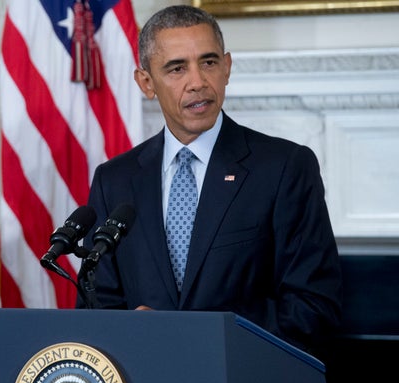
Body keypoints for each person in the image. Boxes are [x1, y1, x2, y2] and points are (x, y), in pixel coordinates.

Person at [78, 5, 341, 355]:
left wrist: (196, 336)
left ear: (227, 67)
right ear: (146, 83)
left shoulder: (285, 168)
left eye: (209, 62)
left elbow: (314, 308)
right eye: (176, 68)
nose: (198, 82)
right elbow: (97, 307)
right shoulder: (115, 180)